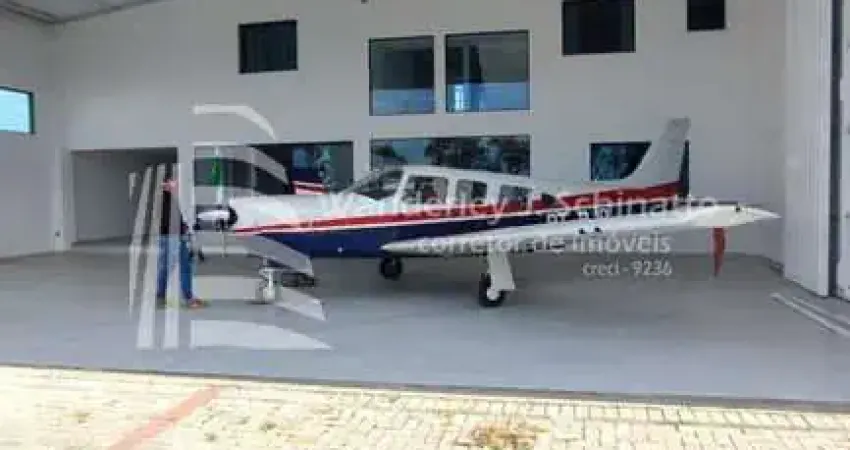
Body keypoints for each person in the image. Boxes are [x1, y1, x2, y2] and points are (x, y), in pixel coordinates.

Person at [155, 177, 206, 309]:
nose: (176, 185)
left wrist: (184, 227)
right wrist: (183, 231)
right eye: (173, 182)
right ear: (166, 184)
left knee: (165, 267)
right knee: (185, 267)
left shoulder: (165, 198)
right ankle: (188, 298)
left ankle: (160, 297)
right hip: (173, 237)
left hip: (167, 236)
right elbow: (170, 220)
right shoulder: (166, 199)